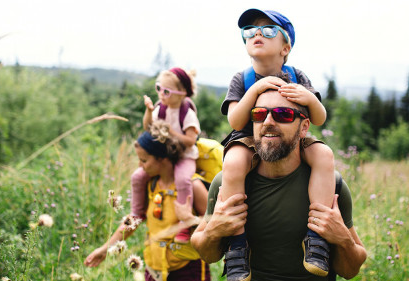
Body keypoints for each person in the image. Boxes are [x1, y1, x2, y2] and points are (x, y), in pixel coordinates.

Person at [192, 89, 367, 281]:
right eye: (259, 114)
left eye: (283, 114)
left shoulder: (331, 186)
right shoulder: (228, 182)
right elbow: (207, 254)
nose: (267, 122)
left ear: (304, 127)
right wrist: (213, 231)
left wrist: (342, 239)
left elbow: (350, 271)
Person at [219, 8, 336, 279]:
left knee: (324, 155)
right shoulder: (242, 79)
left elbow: (319, 118)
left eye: (268, 30)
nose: (257, 33)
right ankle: (237, 246)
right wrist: (256, 91)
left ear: (286, 47)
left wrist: (308, 99)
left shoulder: (297, 76)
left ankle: (316, 237)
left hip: (290, 136)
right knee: (233, 162)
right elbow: (236, 121)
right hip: (250, 137)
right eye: (250, 30)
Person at [85, 121, 211, 281]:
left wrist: (190, 220)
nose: (140, 166)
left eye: (144, 160)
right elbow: (134, 219)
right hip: (154, 268)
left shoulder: (193, 186)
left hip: (188, 269)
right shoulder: (151, 184)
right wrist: (105, 249)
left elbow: (216, 223)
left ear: (163, 158)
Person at [131, 67, 201, 244]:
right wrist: (148, 111)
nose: (161, 94)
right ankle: (137, 213)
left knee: (183, 180)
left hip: (185, 156)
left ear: (182, 93)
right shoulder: (160, 109)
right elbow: (148, 127)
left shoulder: (187, 113)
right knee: (138, 176)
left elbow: (191, 141)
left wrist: (172, 132)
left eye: (167, 91)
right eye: (158, 89)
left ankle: (184, 223)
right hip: (165, 156)